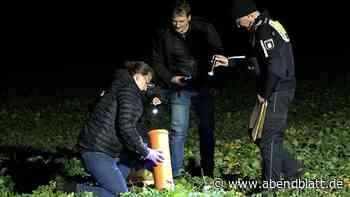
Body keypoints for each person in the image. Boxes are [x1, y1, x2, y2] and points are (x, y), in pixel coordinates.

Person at [213, 0, 304, 186]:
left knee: (268, 138)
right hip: (276, 88)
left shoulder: (263, 30)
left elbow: (276, 68)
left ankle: (270, 186)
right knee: (256, 132)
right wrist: (229, 61)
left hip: (277, 90)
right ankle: (293, 168)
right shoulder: (263, 26)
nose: (238, 26)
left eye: (239, 22)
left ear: (249, 15)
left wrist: (265, 93)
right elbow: (256, 59)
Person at [63, 61, 165, 197]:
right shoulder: (129, 91)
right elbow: (126, 126)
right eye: (147, 83)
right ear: (139, 75)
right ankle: (72, 189)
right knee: (121, 195)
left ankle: (107, 181)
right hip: (97, 151)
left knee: (132, 161)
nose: (146, 88)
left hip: (104, 150)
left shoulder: (122, 83)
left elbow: (152, 91)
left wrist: (155, 95)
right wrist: (146, 151)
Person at [151, 0, 225, 177]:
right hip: (180, 87)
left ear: (189, 18)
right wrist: (171, 78)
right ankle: (175, 173)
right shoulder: (163, 34)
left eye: (181, 21)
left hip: (203, 87)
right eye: (174, 21)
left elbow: (219, 54)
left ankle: (208, 171)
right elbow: (157, 62)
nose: (177, 25)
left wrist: (215, 81)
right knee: (178, 129)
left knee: (207, 128)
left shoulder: (204, 29)